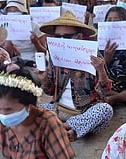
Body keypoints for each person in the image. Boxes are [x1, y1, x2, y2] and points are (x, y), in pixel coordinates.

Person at [38, 11, 113, 141]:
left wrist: (101, 71)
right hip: (58, 109)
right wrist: (44, 79)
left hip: (85, 112)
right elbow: (49, 91)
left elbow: (106, 92)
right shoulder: (55, 57)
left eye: (66, 37)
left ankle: (64, 127)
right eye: (57, 37)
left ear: (78, 37)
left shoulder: (93, 56)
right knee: (31, 107)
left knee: (105, 110)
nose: (61, 40)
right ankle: (69, 129)